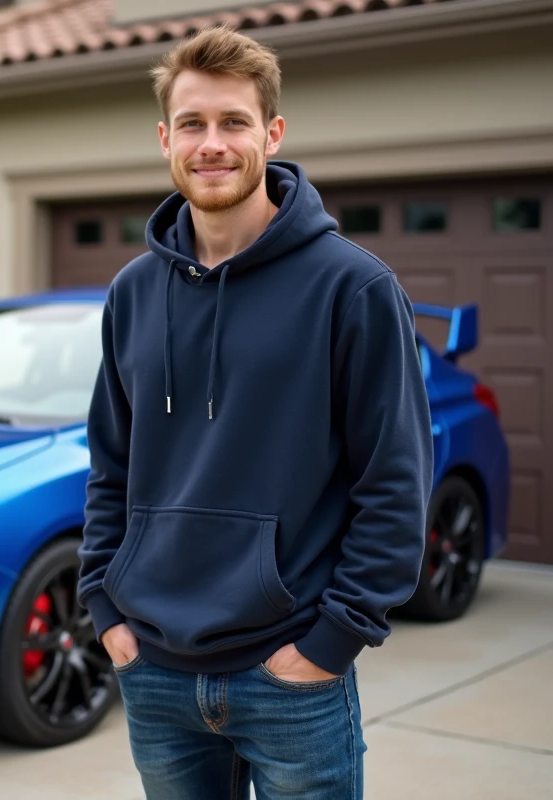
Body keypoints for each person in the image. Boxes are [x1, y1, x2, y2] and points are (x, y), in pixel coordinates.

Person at [76, 24, 432, 800]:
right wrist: (106, 610)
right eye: (194, 124)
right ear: (165, 137)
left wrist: (331, 643)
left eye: (234, 122)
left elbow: (396, 483)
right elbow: (110, 464)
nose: (213, 144)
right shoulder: (133, 293)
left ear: (271, 134)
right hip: (156, 671)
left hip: (290, 676)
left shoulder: (353, 288)